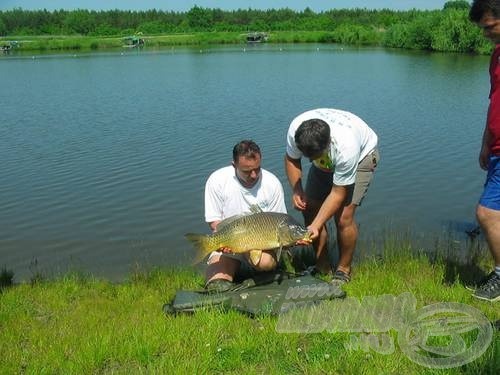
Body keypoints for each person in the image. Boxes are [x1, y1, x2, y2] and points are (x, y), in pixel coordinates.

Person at [285, 108, 379, 285]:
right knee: (309, 207)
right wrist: (297, 189)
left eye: (313, 156)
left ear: (328, 144)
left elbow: (338, 193)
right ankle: (322, 266)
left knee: (343, 217)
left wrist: (316, 225)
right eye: (307, 156)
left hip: (362, 157)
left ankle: (343, 270)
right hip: (327, 154)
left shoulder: (347, 148)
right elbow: (292, 159)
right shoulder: (296, 132)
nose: (309, 160)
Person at [204, 140, 287, 292]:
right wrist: (232, 244)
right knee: (216, 284)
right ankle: (234, 269)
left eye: (257, 169)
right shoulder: (217, 180)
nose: (254, 175)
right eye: (247, 171)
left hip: (260, 246)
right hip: (229, 241)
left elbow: (280, 223)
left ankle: (257, 271)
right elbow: (215, 222)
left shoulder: (272, 183)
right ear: (234, 165)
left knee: (266, 263)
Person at [468, 0, 500, 302]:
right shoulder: (496, 56)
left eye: (489, 27)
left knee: (487, 213)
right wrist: (485, 142)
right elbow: (495, 102)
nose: (485, 34)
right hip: (496, 148)